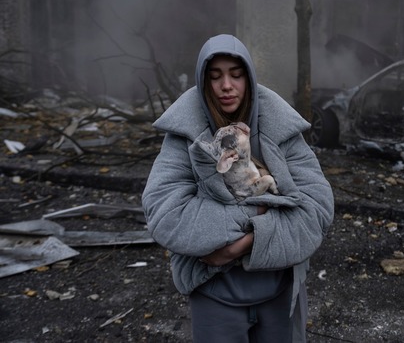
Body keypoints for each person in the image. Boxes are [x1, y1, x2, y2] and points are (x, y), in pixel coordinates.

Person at [141, 34, 334, 342]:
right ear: (203, 82)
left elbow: (317, 209)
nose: (226, 86)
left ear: (249, 78)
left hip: (278, 292)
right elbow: (167, 215)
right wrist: (265, 206)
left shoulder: (281, 129)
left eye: (236, 74)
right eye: (215, 76)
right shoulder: (184, 135)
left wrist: (235, 247)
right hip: (215, 297)